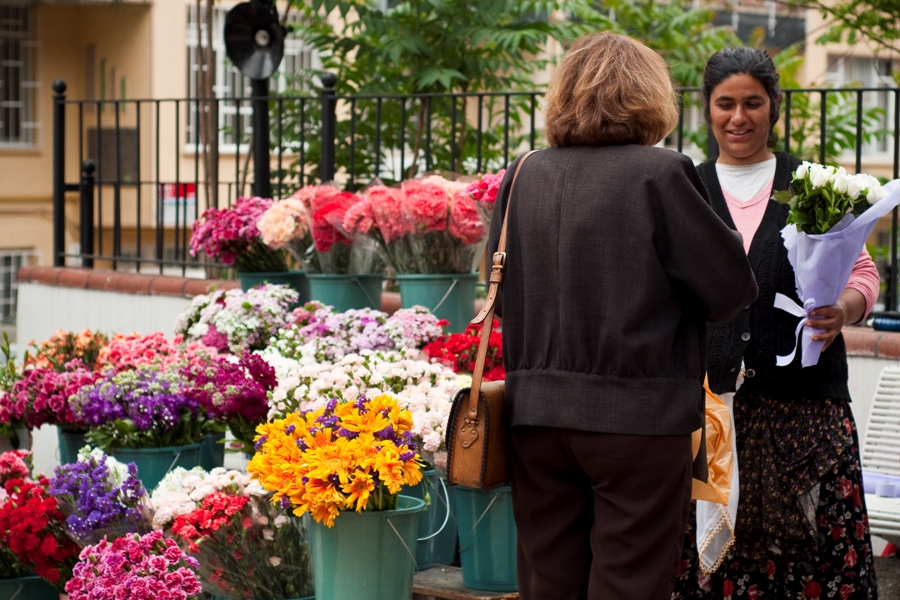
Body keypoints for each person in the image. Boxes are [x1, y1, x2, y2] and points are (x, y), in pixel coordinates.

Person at [485, 33, 758, 600]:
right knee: (630, 584)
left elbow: (503, 293)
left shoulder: (524, 173)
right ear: (649, 95)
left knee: (548, 584)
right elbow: (731, 287)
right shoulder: (659, 174)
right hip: (637, 418)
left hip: (535, 415)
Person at [672, 47, 881, 599]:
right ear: (706, 109)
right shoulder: (684, 188)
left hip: (806, 415)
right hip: (713, 417)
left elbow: (861, 270)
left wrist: (847, 311)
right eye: (725, 104)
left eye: (752, 103)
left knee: (810, 561)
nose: (738, 117)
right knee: (719, 565)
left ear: (773, 107)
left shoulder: (813, 183)